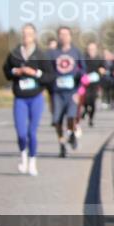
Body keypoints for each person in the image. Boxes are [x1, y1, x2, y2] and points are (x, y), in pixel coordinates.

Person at [3, 24, 54, 175]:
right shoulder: (14, 53)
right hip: (20, 98)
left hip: (36, 98)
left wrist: (35, 73)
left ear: (34, 36)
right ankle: (23, 157)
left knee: (32, 132)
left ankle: (32, 161)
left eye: (29, 34)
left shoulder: (40, 54)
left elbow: (50, 76)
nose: (26, 36)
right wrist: (16, 71)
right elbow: (6, 71)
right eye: (24, 34)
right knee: (21, 133)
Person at [48, 26, 85, 158]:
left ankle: (71, 133)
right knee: (57, 120)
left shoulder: (76, 52)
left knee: (71, 116)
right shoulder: (52, 53)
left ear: (70, 36)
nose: (64, 37)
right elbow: (48, 71)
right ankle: (62, 143)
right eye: (61, 34)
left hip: (72, 92)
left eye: (66, 34)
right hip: (57, 93)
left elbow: (83, 71)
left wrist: (79, 90)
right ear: (58, 37)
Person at [81, 41, 106, 128]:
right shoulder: (84, 58)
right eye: (90, 49)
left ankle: (91, 119)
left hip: (95, 83)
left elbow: (103, 69)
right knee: (85, 99)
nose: (91, 50)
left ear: (96, 49)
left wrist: (102, 71)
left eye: (93, 49)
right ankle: (85, 109)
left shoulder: (99, 58)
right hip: (85, 83)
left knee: (92, 101)